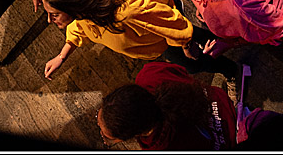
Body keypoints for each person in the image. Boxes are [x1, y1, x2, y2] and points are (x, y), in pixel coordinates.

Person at [42, 0, 236, 81]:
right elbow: (80, 29)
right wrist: (62, 55)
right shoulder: (87, 12)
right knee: (200, 44)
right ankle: (222, 41)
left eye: (54, 14)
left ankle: (234, 71)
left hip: (167, 38)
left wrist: (186, 45)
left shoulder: (127, 11)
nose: (50, 20)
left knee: (195, 63)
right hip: (156, 41)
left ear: (74, 5)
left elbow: (172, 22)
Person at [99, 62, 238, 150]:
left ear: (134, 134)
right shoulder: (150, 76)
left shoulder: (160, 146)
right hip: (221, 102)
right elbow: (181, 71)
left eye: (111, 138)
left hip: (229, 140)